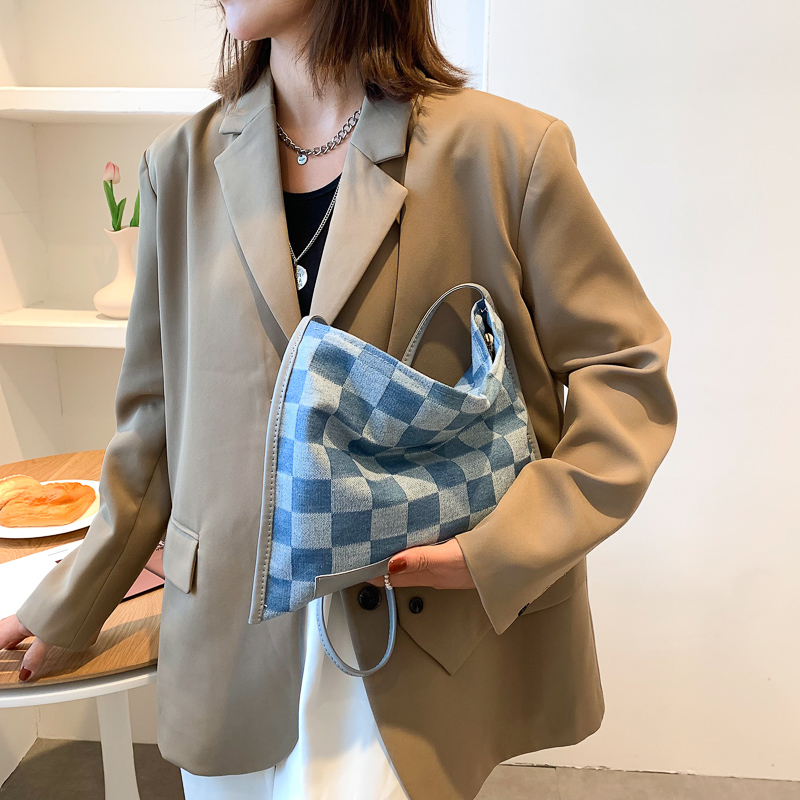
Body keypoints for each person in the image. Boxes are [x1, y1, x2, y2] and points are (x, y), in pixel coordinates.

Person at [0, 1, 679, 799]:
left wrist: (505, 547)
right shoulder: (178, 168)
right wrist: (72, 599)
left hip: (405, 632)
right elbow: (152, 429)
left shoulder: (504, 152)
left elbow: (625, 370)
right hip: (227, 640)